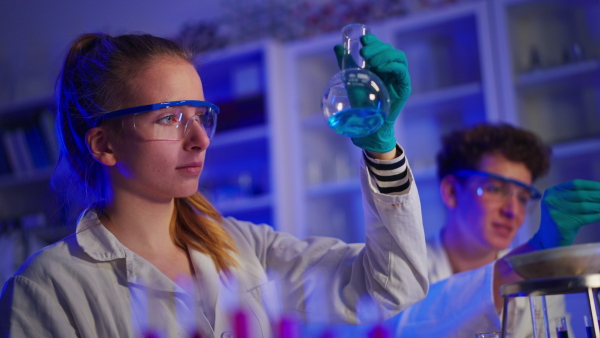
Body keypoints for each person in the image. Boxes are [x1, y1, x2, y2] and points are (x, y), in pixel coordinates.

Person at [0, 32, 428, 337]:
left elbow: (390, 288)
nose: (201, 139)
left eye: (201, 116)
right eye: (169, 118)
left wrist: (381, 151)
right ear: (104, 144)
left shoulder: (241, 247)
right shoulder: (48, 287)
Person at [394, 124, 600, 337]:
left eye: (523, 197)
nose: (513, 211)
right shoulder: (398, 272)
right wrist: (534, 254)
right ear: (451, 191)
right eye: (495, 189)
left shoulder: (540, 280)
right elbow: (398, 328)